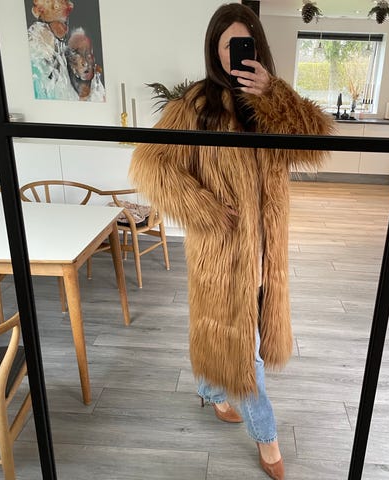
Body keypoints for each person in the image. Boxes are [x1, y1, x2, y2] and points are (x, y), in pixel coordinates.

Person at [129, 4, 333, 479]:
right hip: (220, 249)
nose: (237, 54)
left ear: (257, 47)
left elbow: (316, 142)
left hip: (266, 249)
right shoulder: (196, 105)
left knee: (225, 329)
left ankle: (211, 391)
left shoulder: (272, 98)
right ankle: (268, 438)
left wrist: (275, 95)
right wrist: (203, 206)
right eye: (229, 46)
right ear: (215, 50)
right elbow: (149, 163)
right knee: (243, 348)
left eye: (246, 44)